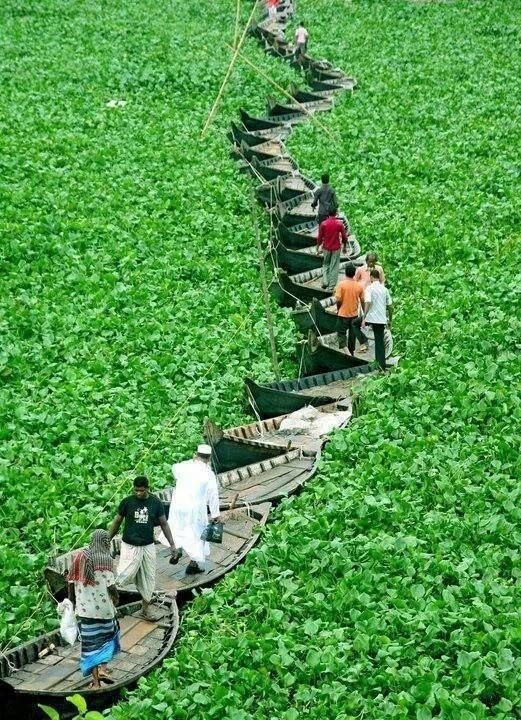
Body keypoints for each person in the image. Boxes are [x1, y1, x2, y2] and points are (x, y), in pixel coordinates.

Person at [109, 476, 179, 619]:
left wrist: (172, 544)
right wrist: (107, 539)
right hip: (130, 545)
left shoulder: (155, 503)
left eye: (141, 491)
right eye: (136, 491)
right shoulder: (127, 502)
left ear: (147, 488)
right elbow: (117, 522)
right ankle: (110, 606)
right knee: (123, 574)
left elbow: (164, 524)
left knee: (148, 577)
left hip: (147, 545)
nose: (138, 493)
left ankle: (145, 609)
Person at [67, 529, 120, 689]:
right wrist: (116, 598)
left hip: (84, 612)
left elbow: (70, 581)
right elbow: (111, 585)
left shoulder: (79, 558)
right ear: (105, 543)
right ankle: (103, 669)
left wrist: (72, 602)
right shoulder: (106, 560)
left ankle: (96, 682)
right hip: (105, 611)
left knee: (91, 646)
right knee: (109, 638)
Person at [160, 444, 220, 575]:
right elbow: (213, 495)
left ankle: (178, 549)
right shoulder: (208, 474)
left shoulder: (183, 467)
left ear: (196, 454)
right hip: (195, 509)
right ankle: (193, 564)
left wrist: (191, 461)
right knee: (198, 533)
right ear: (209, 458)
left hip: (178, 506)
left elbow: (174, 468)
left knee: (178, 528)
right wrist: (215, 514)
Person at [363, 268, 393, 370]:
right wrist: (390, 319)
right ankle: (381, 364)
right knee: (379, 340)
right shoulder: (384, 289)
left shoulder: (369, 288)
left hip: (372, 318)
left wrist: (364, 317)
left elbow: (367, 302)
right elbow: (390, 305)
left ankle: (379, 364)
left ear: (371, 277)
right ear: (379, 277)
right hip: (381, 319)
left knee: (354, 323)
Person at [335, 263, 367, 354]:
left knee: (341, 333)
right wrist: (364, 313)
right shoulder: (359, 286)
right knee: (352, 335)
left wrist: (338, 309)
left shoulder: (341, 285)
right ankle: (351, 352)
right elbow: (362, 301)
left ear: (345, 273)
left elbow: (338, 300)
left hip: (342, 314)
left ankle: (347, 352)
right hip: (354, 314)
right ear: (354, 274)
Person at [317, 207, 348, 291]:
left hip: (326, 247)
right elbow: (344, 237)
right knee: (334, 266)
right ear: (336, 213)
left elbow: (320, 237)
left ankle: (325, 281)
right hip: (336, 248)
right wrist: (344, 247)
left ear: (328, 213)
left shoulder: (323, 224)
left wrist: (317, 247)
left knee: (325, 264)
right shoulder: (339, 224)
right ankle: (331, 286)